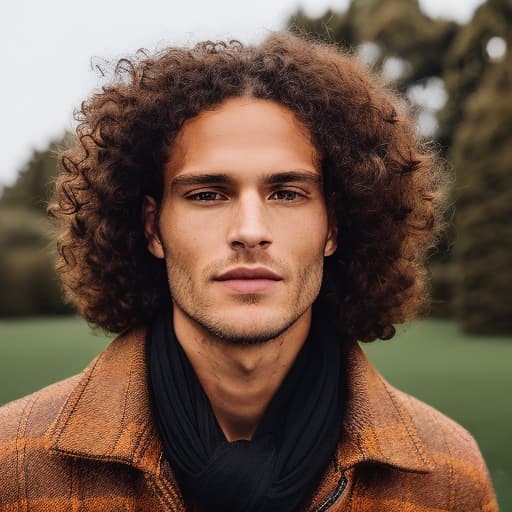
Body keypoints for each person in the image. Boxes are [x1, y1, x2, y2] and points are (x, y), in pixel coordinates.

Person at [0, 32, 498, 512]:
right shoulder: (13, 463)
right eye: (207, 194)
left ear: (334, 228)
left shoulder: (448, 475)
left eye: (287, 193)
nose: (250, 230)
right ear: (153, 228)